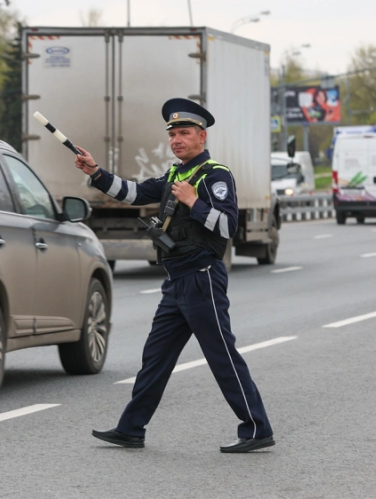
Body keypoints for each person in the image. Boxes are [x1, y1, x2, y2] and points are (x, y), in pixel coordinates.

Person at [77, 98, 275, 453]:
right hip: (176, 281)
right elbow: (133, 193)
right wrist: (95, 172)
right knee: (155, 358)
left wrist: (194, 202)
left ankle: (257, 428)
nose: (177, 140)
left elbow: (228, 227)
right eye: (172, 134)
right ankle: (131, 429)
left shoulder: (215, 175)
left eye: (184, 133)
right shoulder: (173, 175)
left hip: (202, 277)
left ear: (202, 136)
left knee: (221, 356)